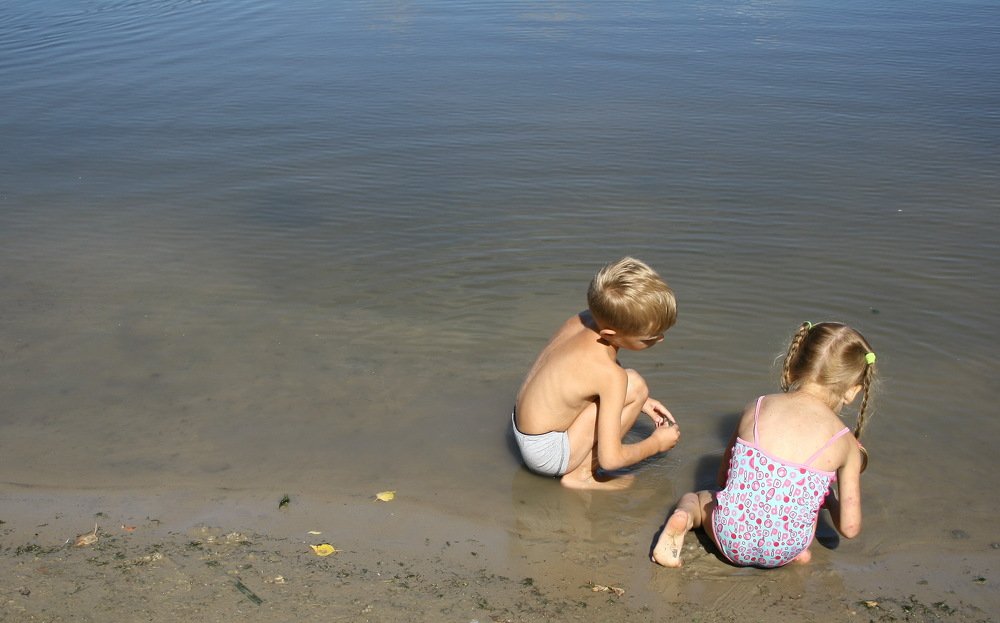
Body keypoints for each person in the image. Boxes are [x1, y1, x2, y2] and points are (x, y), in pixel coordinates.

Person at [651, 321, 877, 568]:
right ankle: (794, 554)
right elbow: (850, 527)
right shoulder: (845, 443)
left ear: (792, 366)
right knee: (800, 518)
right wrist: (828, 498)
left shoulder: (757, 407)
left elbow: (722, 479)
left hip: (730, 538)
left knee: (698, 498)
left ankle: (684, 517)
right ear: (853, 391)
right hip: (784, 550)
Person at [513, 257, 680, 490]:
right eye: (649, 338)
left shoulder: (581, 320)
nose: (660, 340)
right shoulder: (611, 376)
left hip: (525, 429)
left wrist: (640, 401)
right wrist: (656, 443)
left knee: (629, 386)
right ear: (610, 333)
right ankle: (581, 475)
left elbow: (586, 372)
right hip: (546, 454)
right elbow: (611, 459)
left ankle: (577, 468)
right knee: (635, 384)